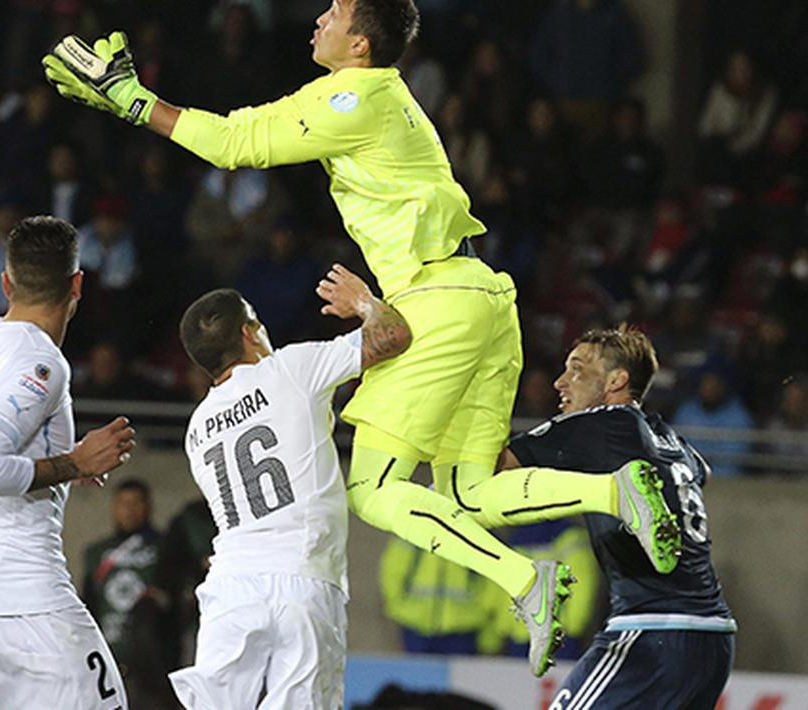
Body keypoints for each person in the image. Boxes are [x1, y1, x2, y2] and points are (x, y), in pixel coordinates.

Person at [45, 0, 678, 675]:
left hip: (432, 301)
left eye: (334, 11)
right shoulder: (383, 97)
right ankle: (615, 494)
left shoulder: (353, 95)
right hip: (479, 296)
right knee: (468, 492)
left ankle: (528, 582)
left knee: (374, 490)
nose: (318, 17)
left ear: (359, 42)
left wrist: (133, 101)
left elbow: (238, 143)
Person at [0, 215, 138, 709]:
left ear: (6, 282)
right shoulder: (41, 361)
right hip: (23, 602)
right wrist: (72, 464)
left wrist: (42, 464)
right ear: (77, 283)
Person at [169, 264, 413, 708]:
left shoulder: (197, 427)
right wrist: (363, 302)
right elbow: (393, 336)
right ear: (251, 331)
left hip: (231, 586)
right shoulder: (290, 369)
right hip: (302, 576)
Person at [502, 325, 735, 710]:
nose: (561, 382)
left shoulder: (602, 424)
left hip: (653, 631)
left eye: (577, 369)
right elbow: (701, 472)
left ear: (617, 380)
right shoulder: (666, 435)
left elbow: (498, 466)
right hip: (712, 638)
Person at [82, 479, 163, 701]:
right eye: (124, 503)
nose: (130, 510)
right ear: (114, 507)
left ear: (149, 506)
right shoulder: (95, 553)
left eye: (137, 503)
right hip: (108, 662)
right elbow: (87, 604)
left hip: (154, 665)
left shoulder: (166, 547)